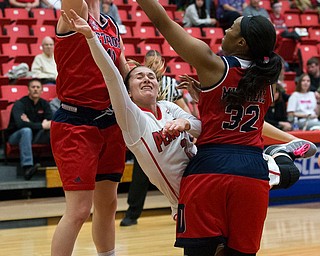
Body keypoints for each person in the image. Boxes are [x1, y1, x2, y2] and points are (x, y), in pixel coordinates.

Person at [63, 10, 317, 249]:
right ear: (127, 91)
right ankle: (281, 154)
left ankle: (281, 154)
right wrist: (91, 38)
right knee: (282, 174)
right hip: (188, 188)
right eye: (138, 77)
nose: (147, 79)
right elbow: (111, 76)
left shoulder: (170, 108)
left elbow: (204, 126)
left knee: (286, 176)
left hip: (206, 174)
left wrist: (189, 118)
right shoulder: (131, 117)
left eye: (150, 76)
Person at [133, 1, 306, 254]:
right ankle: (280, 156)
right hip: (252, 172)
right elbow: (241, 109)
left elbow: (163, 22)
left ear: (242, 43)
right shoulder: (268, 83)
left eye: (233, 28)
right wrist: (206, 98)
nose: (225, 30)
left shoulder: (213, 65)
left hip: (210, 168)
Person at [50, 0, 129, 255]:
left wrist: (144, 82)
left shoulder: (111, 24)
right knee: (79, 210)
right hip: (77, 123)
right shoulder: (77, 11)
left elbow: (122, 68)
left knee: (108, 203)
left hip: (110, 121)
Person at [120, 49, 192, 227]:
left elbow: (184, 109)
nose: (153, 65)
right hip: (148, 133)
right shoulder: (137, 84)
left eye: (156, 63)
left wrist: (189, 124)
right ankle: (133, 213)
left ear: (162, 65)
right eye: (149, 62)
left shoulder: (170, 85)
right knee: (140, 177)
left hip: (172, 131)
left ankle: (185, 208)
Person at [6, 78, 52, 180]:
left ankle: (58, 164)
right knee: (26, 130)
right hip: (15, 136)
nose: (35, 89)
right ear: (28, 90)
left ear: (41, 90)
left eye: (38, 87)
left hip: (36, 135)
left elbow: (51, 122)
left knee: (54, 131)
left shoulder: (44, 104)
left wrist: (29, 123)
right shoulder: (20, 104)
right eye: (33, 87)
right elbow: (21, 124)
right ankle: (27, 168)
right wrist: (41, 125)